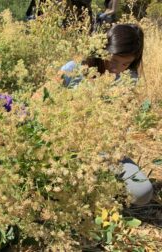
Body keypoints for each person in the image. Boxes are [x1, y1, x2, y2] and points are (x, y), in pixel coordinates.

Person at [60, 24, 153, 205]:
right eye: (113, 60)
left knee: (143, 192)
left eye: (125, 63)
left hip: (102, 150)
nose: (117, 68)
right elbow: (40, 99)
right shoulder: (74, 68)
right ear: (102, 49)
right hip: (65, 148)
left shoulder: (129, 78)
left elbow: (122, 121)